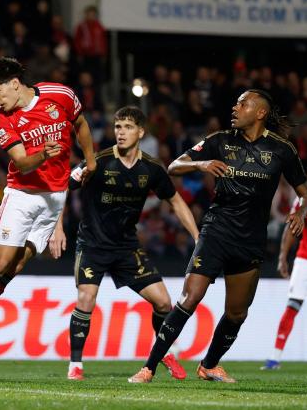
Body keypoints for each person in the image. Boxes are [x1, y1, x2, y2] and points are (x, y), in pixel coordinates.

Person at [128, 89, 307, 383]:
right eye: (236, 102)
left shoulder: (281, 150)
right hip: (216, 230)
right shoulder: (220, 141)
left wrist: (300, 214)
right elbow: (174, 166)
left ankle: (209, 365)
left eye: (243, 103)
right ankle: (148, 367)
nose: (235, 107)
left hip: (250, 239)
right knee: (190, 297)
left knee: (237, 314)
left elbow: (305, 195)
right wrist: (200, 164)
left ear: (260, 113)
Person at [0, 56, 96, 372]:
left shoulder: (60, 95)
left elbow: (80, 124)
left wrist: (90, 161)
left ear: (14, 83)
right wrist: (43, 154)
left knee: (14, 267)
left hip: (53, 199)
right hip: (22, 195)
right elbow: (22, 161)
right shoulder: (0, 116)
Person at [50, 106, 198, 381]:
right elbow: (62, 187)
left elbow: (176, 201)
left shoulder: (152, 168)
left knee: (164, 303)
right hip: (93, 245)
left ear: (141, 132)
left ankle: (163, 352)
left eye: (128, 127)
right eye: (118, 127)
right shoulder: (97, 162)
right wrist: (57, 228)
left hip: (127, 247)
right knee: (86, 298)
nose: (121, 132)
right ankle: (75, 366)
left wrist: (197, 237)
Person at [262, 166, 307, 370]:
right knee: (292, 306)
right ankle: (274, 358)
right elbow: (291, 229)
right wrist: (282, 257)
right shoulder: (305, 201)